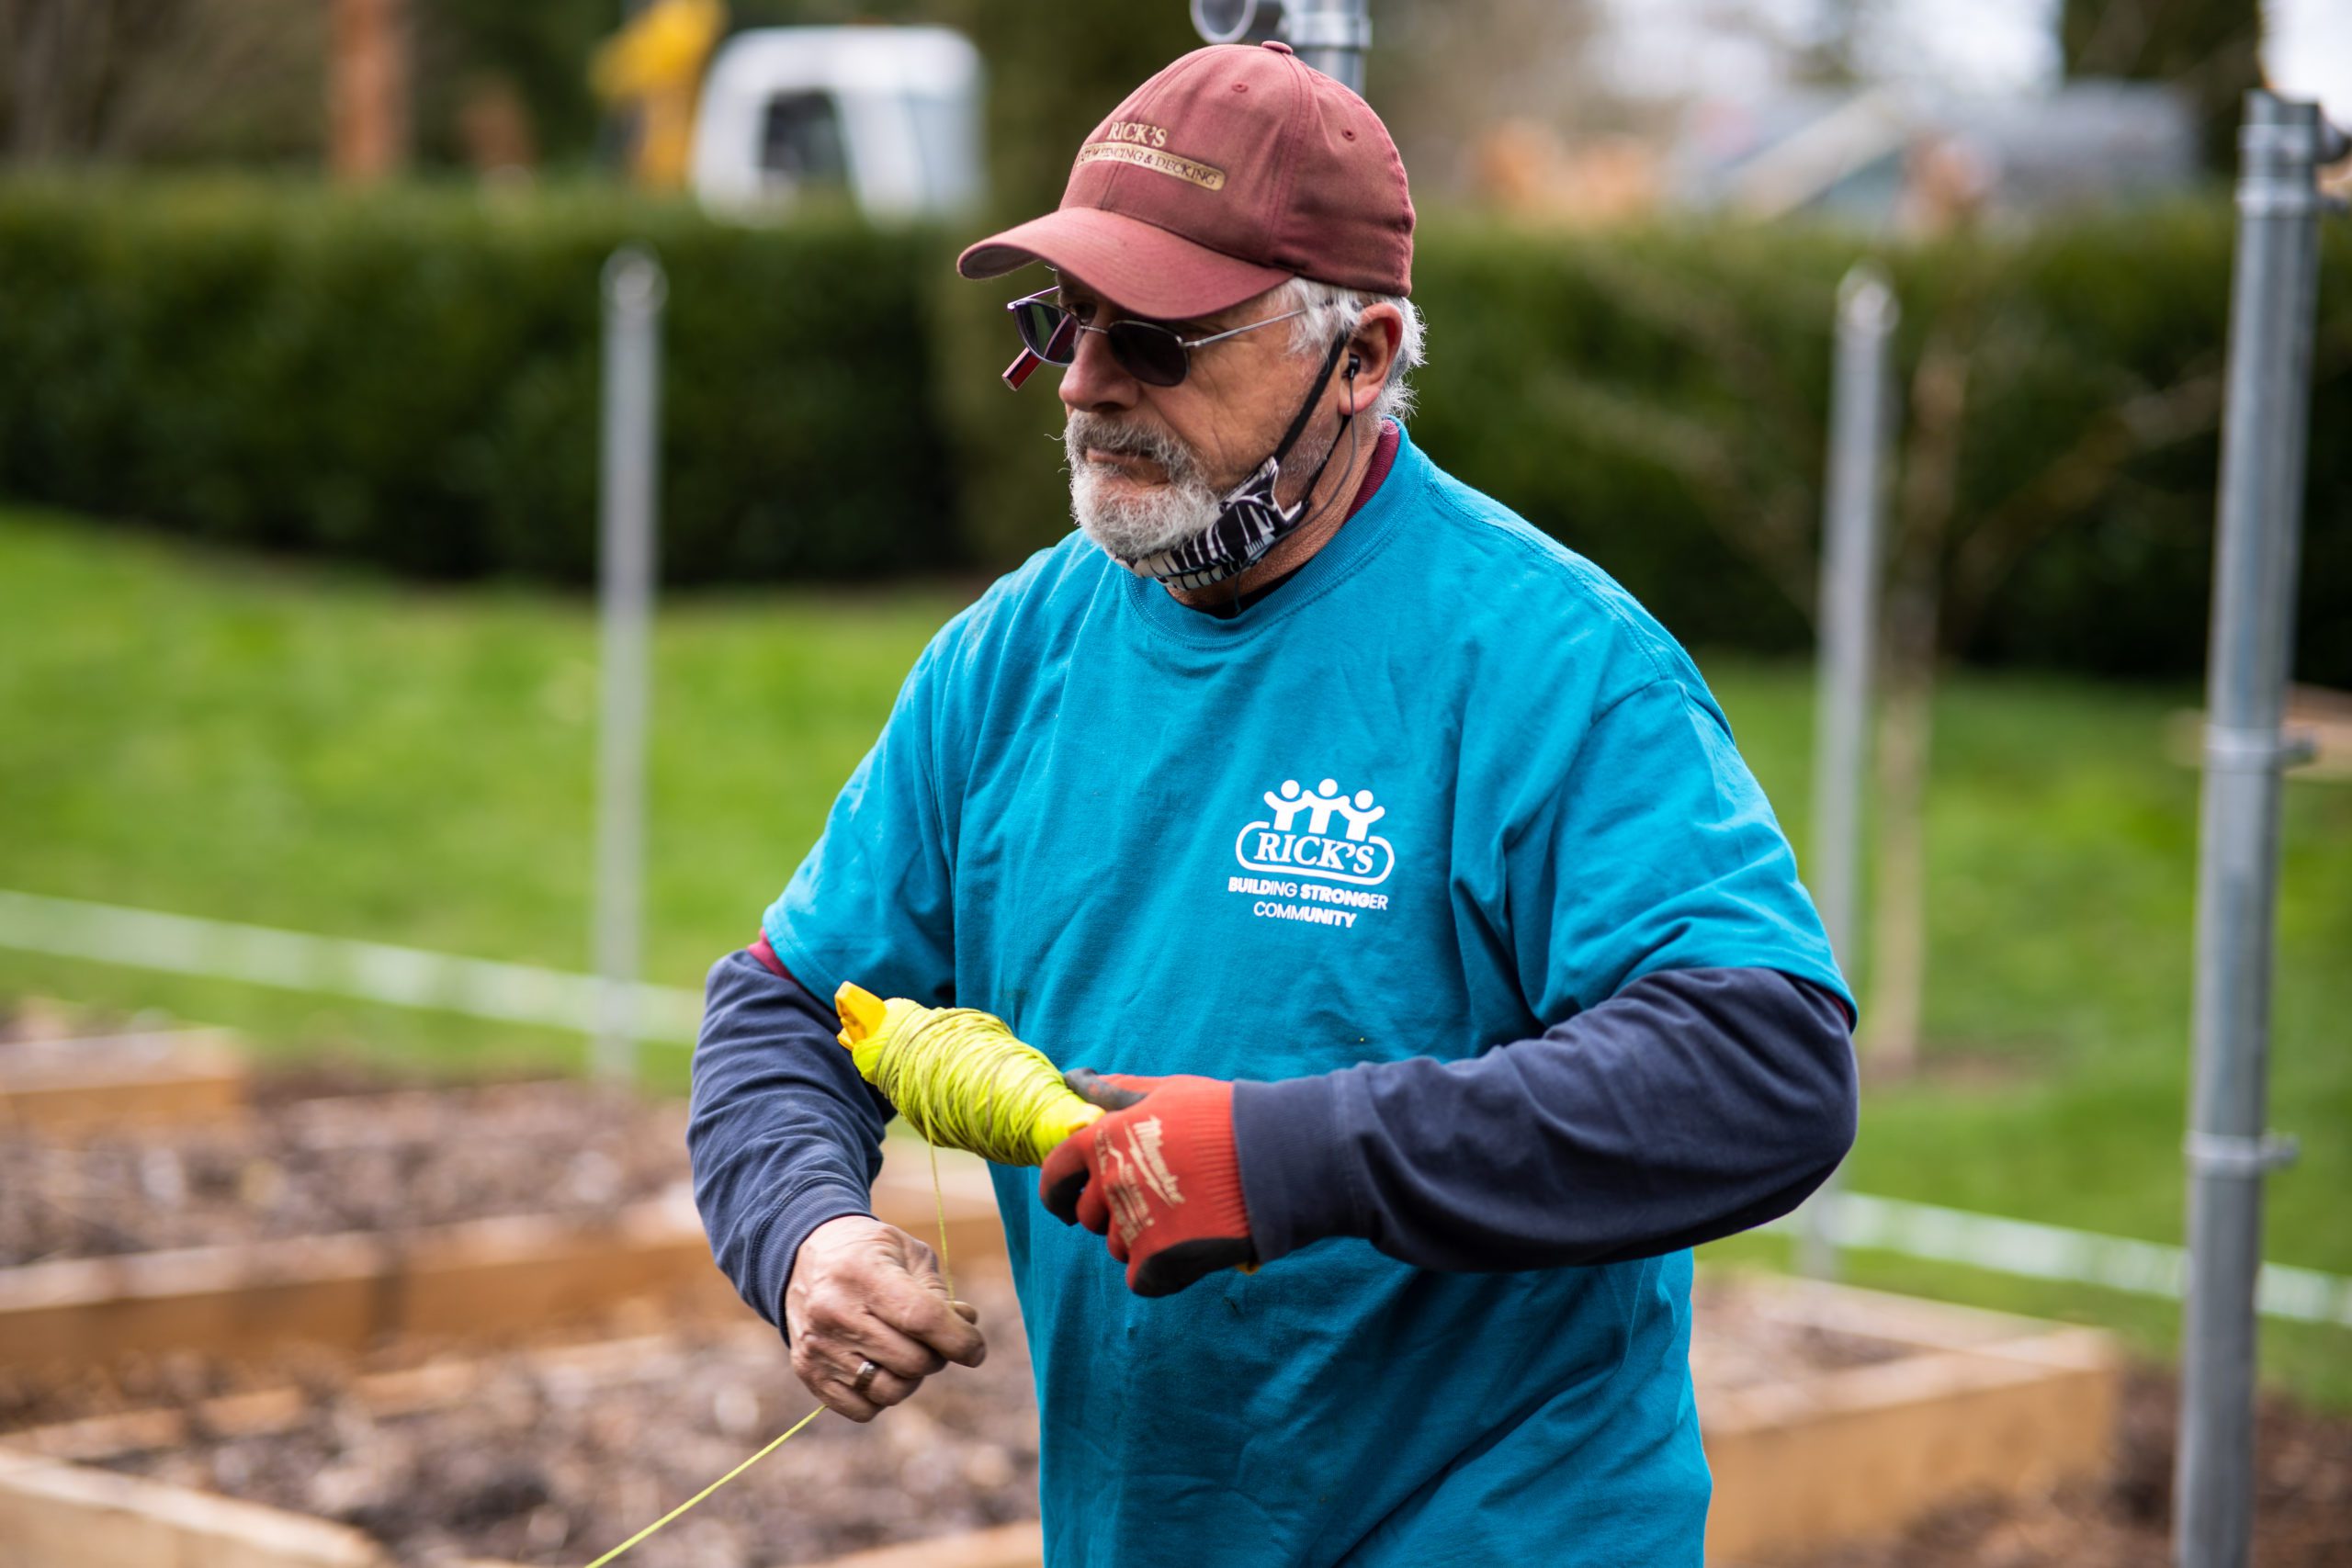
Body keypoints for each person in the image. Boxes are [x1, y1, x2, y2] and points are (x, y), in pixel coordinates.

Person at [689, 41, 1857, 1566]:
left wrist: (1292, 1161)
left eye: (1161, 339)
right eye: (1068, 322)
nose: (1091, 383)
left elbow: (1762, 1067)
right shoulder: (1007, 660)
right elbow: (783, 1010)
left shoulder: (1550, 668)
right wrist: (809, 1237)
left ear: (1362, 358)